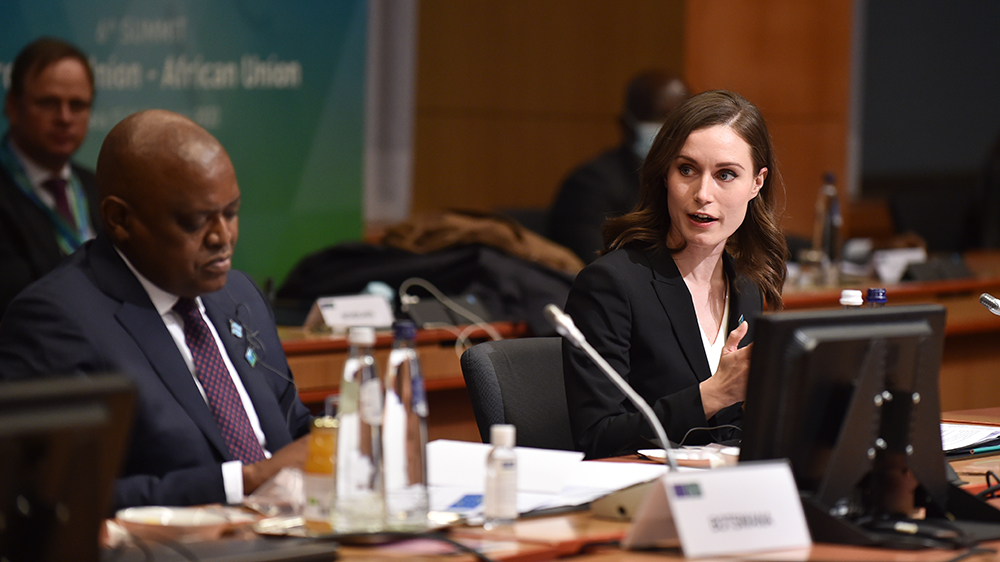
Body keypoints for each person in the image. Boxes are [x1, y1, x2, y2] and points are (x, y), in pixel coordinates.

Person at [0, 109, 312, 509]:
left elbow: (294, 427)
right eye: (195, 220)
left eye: (231, 213)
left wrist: (359, 442)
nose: (222, 237)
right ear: (119, 219)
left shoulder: (240, 295)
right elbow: (48, 499)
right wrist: (244, 481)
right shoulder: (55, 320)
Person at [562, 90, 787, 459]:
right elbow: (596, 437)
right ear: (664, 175)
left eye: (726, 175)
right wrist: (713, 394)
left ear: (756, 184)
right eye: (686, 170)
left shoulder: (747, 284)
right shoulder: (612, 284)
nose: (702, 193)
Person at [0, 37, 101, 315]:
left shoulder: (101, 187)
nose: (65, 118)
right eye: (49, 103)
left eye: (78, 105)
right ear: (12, 107)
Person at [547, 70, 689, 264]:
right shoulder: (589, 184)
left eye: (678, 120)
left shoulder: (694, 182)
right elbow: (596, 263)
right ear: (626, 124)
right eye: (658, 118)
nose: (668, 130)